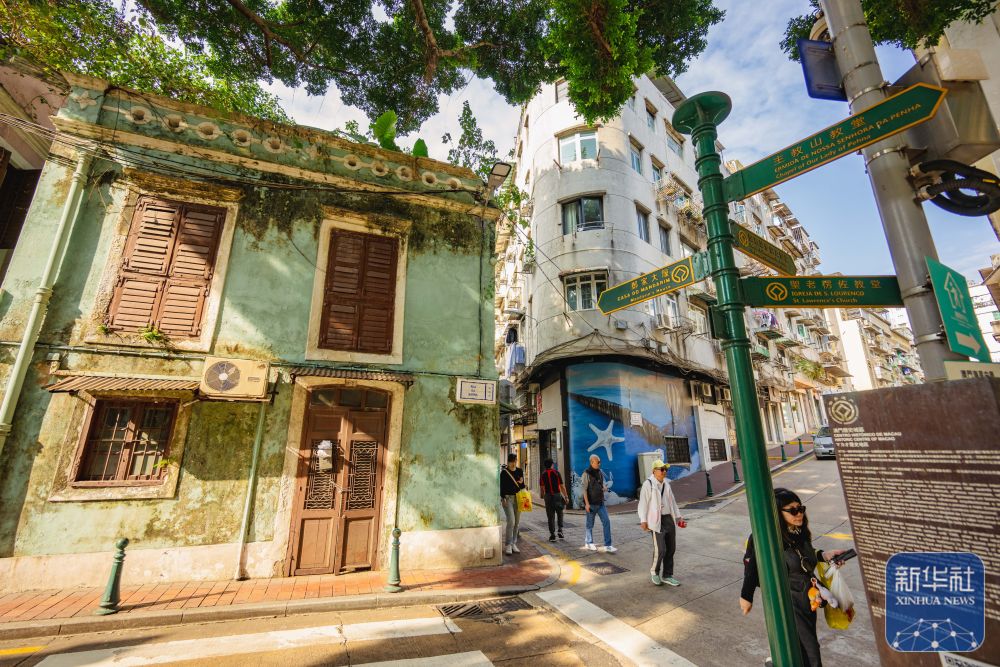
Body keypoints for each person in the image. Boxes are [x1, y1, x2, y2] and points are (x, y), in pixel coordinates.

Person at [740, 488, 847, 667]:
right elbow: (753, 566)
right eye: (793, 510)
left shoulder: (798, 531)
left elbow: (803, 557)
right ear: (777, 513)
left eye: (801, 508)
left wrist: (824, 555)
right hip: (788, 599)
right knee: (809, 650)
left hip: (808, 599)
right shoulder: (768, 536)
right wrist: (746, 596)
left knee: (804, 646)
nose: (799, 514)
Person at [637, 459, 685, 586]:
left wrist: (678, 517)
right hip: (656, 521)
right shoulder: (648, 484)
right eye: (662, 469)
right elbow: (643, 504)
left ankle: (667, 575)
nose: (664, 472)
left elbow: (672, 502)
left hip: (668, 518)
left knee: (671, 548)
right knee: (661, 549)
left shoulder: (666, 484)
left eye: (666, 469)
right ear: (654, 471)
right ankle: (655, 572)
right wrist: (643, 520)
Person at [580, 454, 616, 553]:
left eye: (599, 462)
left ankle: (608, 545)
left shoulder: (599, 472)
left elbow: (601, 484)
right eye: (598, 462)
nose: (599, 463)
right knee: (590, 524)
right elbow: (584, 490)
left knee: (606, 521)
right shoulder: (586, 474)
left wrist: (604, 488)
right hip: (591, 504)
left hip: (600, 503)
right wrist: (587, 504)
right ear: (592, 462)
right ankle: (589, 543)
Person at [499, 453, 525, 555]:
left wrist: (522, 482)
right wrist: (502, 498)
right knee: (511, 521)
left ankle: (514, 543)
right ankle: (508, 545)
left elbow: (522, 486)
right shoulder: (504, 473)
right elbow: (501, 486)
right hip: (508, 499)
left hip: (518, 498)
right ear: (508, 462)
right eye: (511, 462)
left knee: (517, 522)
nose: (513, 464)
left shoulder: (519, 471)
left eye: (515, 461)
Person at [539, 458, 568, 542]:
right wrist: (566, 496)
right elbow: (562, 486)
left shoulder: (543, 474)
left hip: (548, 496)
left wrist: (543, 496)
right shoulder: (556, 473)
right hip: (557, 496)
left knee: (550, 516)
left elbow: (542, 488)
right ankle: (560, 530)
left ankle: (552, 535)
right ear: (552, 465)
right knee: (560, 513)